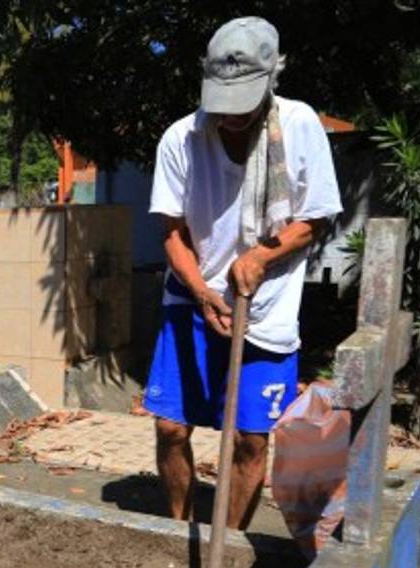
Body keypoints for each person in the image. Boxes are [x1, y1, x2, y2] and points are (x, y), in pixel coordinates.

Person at [145, 17, 342, 530]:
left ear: (272, 80)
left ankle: (227, 545)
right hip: (193, 296)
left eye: (243, 101)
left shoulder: (300, 127)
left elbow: (316, 218)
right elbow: (171, 233)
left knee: (251, 438)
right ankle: (176, 526)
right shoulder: (181, 139)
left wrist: (260, 257)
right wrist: (203, 291)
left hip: (268, 307)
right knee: (170, 427)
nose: (229, 115)